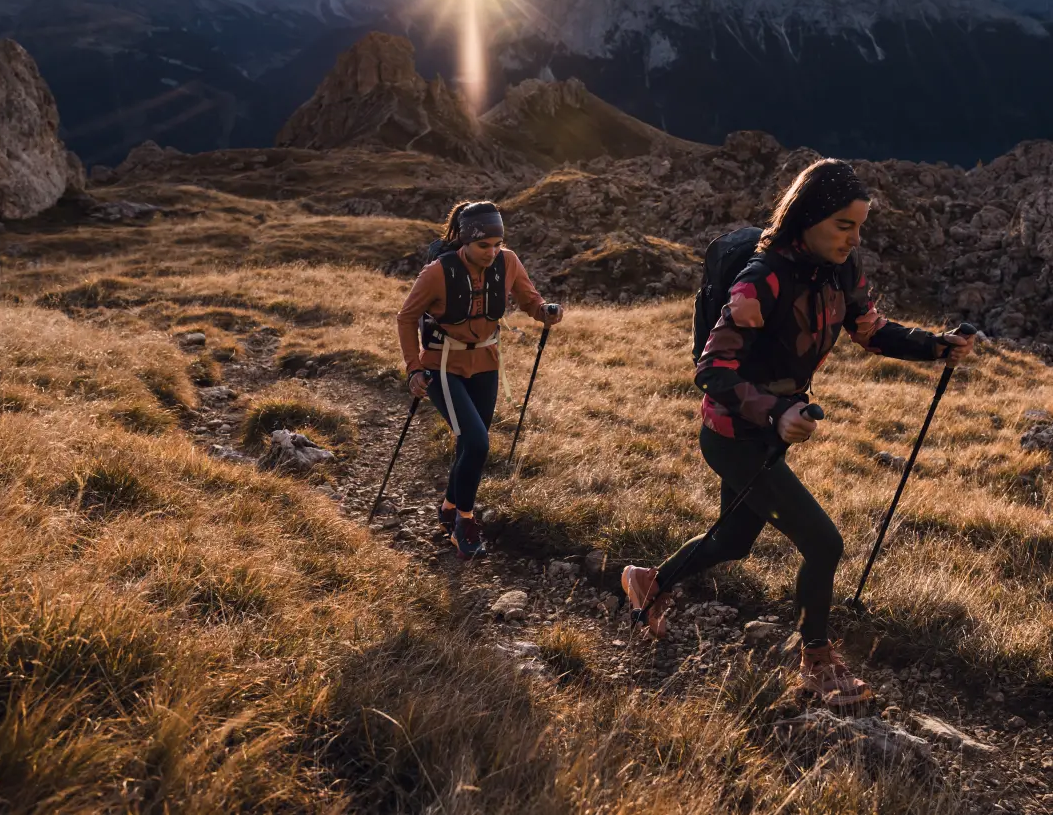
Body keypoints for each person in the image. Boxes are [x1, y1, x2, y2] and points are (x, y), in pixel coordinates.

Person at [621, 159, 974, 707]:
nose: (854, 238)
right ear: (807, 217)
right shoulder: (762, 279)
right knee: (823, 542)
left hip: (767, 432)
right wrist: (774, 412)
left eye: (860, 227)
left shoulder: (841, 270)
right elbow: (713, 368)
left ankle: (650, 581)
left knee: (733, 541)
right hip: (733, 434)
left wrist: (935, 345)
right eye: (843, 226)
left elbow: (871, 331)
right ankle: (817, 661)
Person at [396, 200, 563, 560]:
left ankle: (449, 507)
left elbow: (529, 298)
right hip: (441, 368)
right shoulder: (436, 273)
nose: (491, 252)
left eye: (497, 244)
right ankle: (465, 524)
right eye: (482, 245)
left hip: (486, 364)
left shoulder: (509, 262)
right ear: (463, 241)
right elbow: (406, 317)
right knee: (478, 441)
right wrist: (413, 368)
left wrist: (544, 311)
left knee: (469, 445)